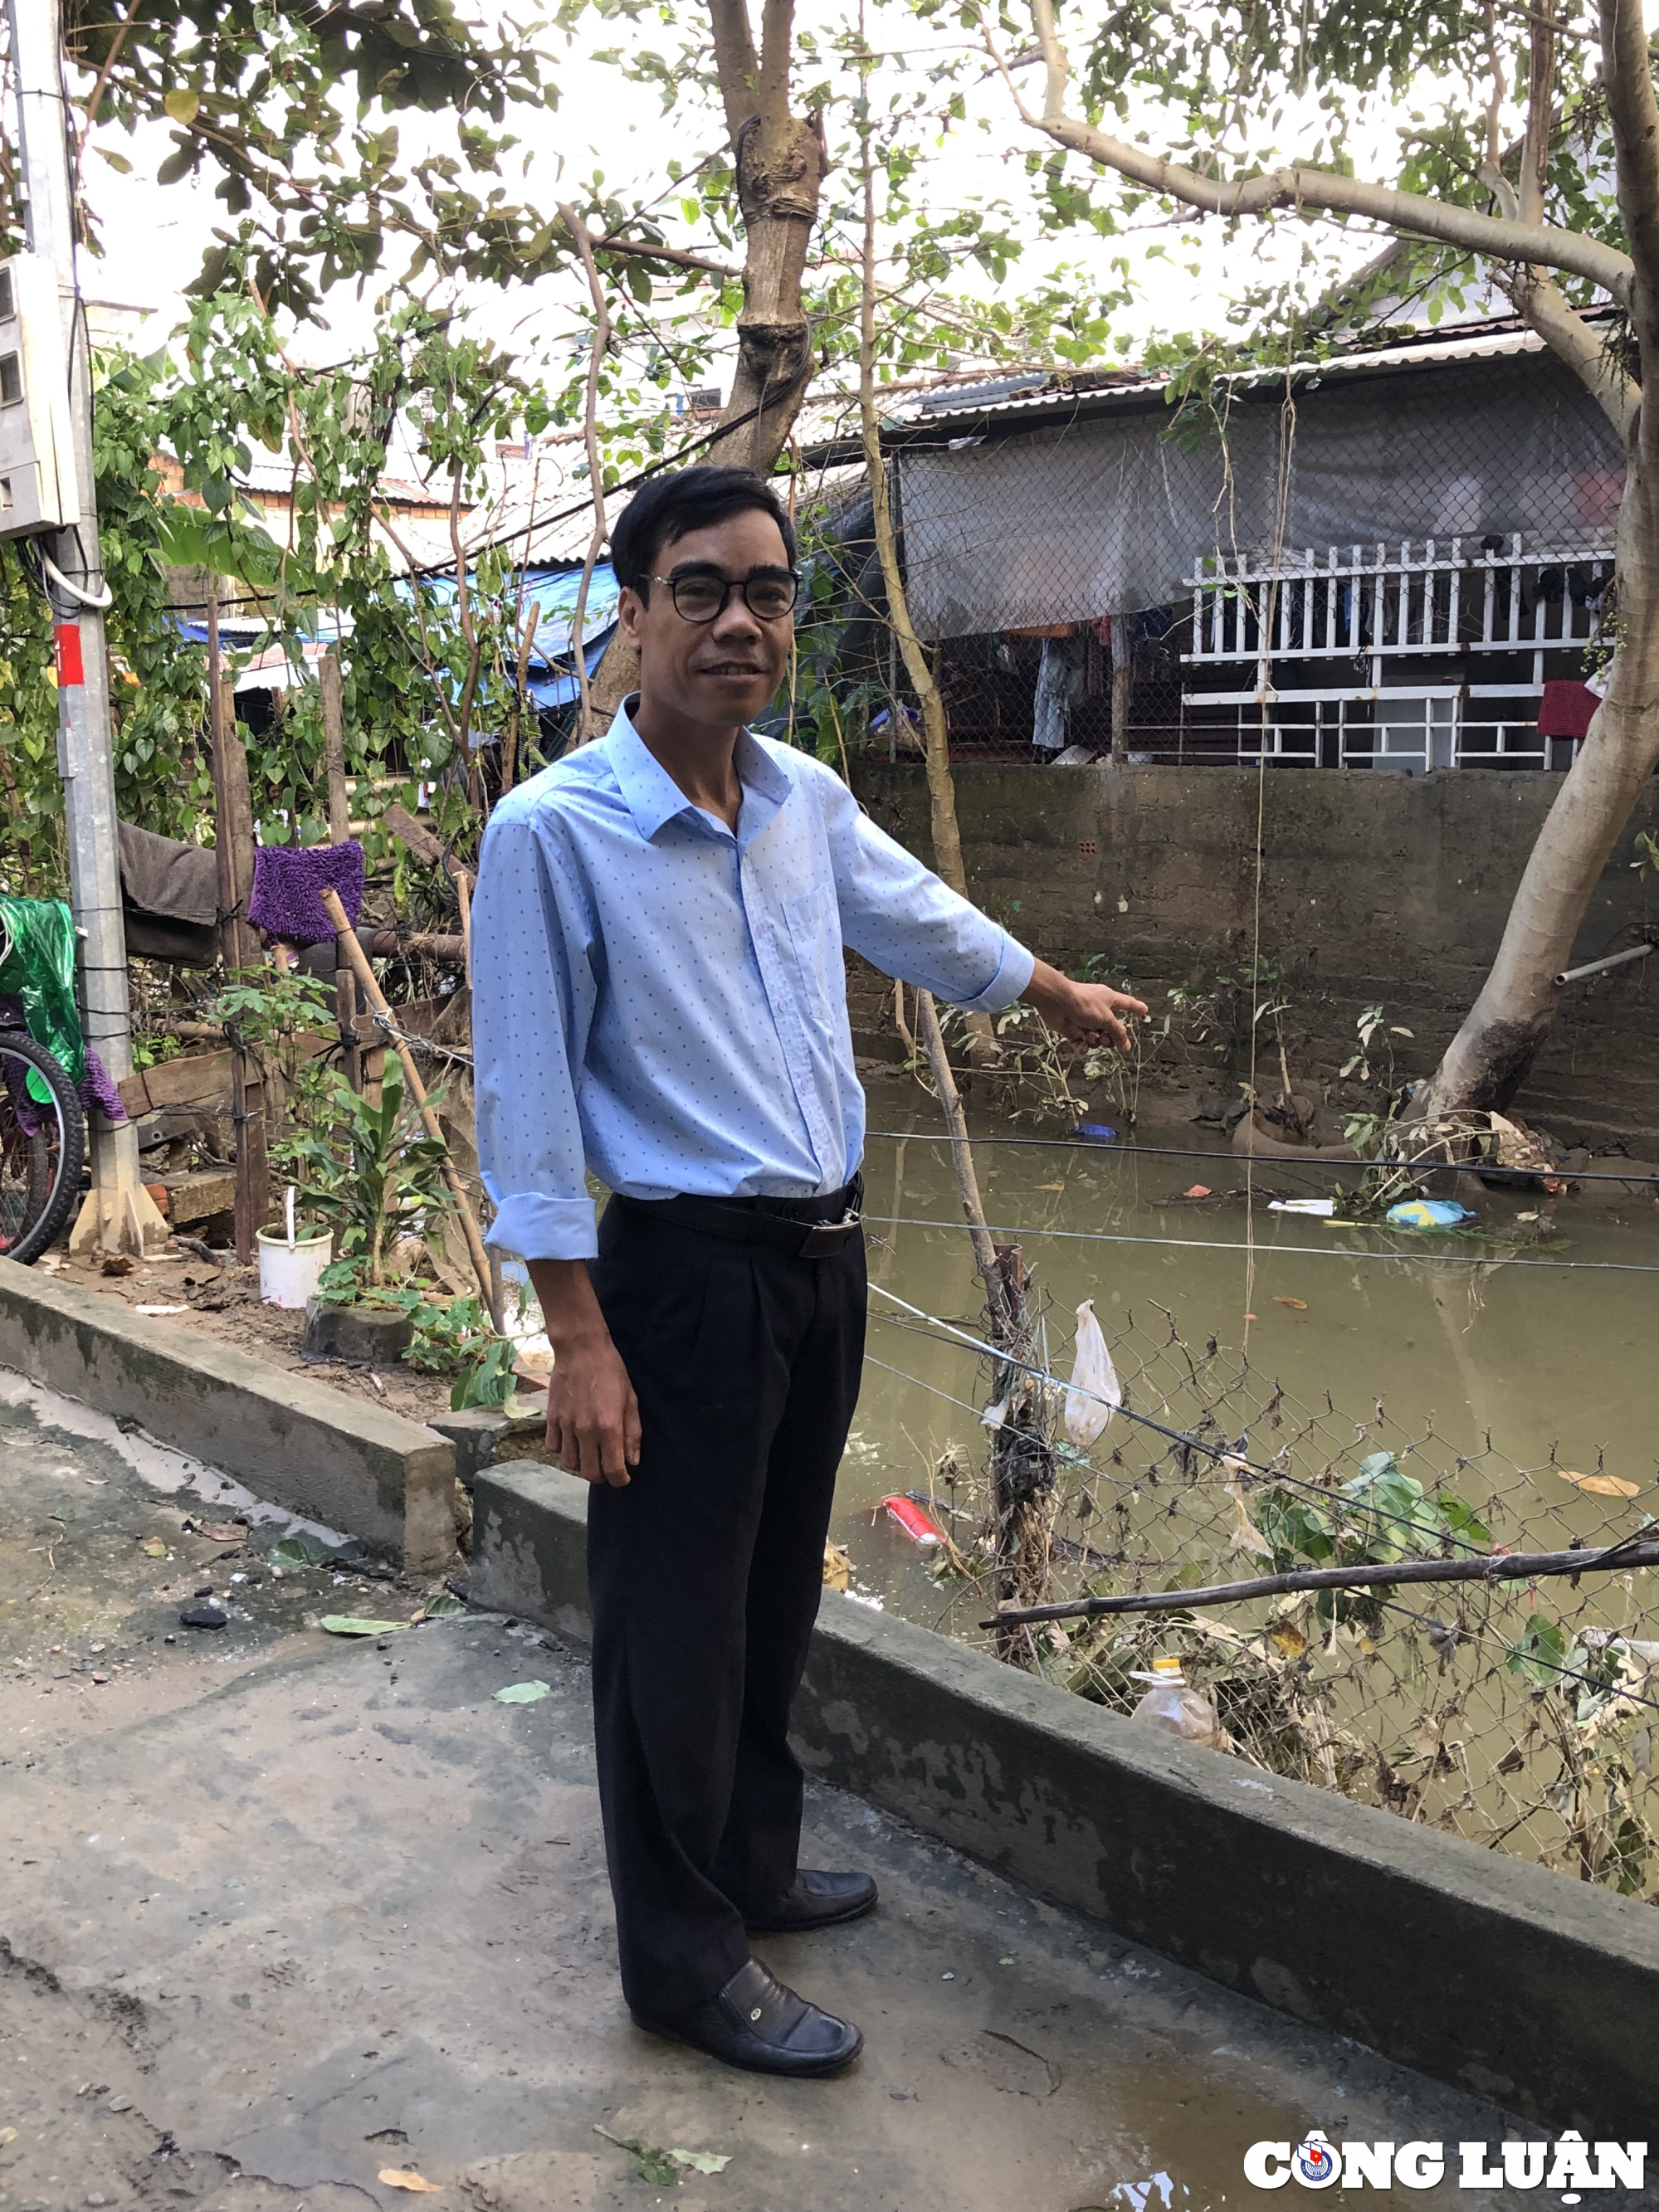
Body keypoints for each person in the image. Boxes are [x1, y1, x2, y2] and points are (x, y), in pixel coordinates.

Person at [471, 465, 1144, 2080]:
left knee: (774, 1594)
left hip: (823, 1259)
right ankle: (685, 1958)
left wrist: (1045, 988)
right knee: (671, 1627)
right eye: (697, 590)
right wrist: (577, 1334)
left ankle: (756, 1865)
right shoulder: (550, 836)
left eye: (766, 591)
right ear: (627, 618)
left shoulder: (801, 803)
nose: (737, 621)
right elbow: (526, 1097)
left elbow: (909, 916)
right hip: (681, 1279)